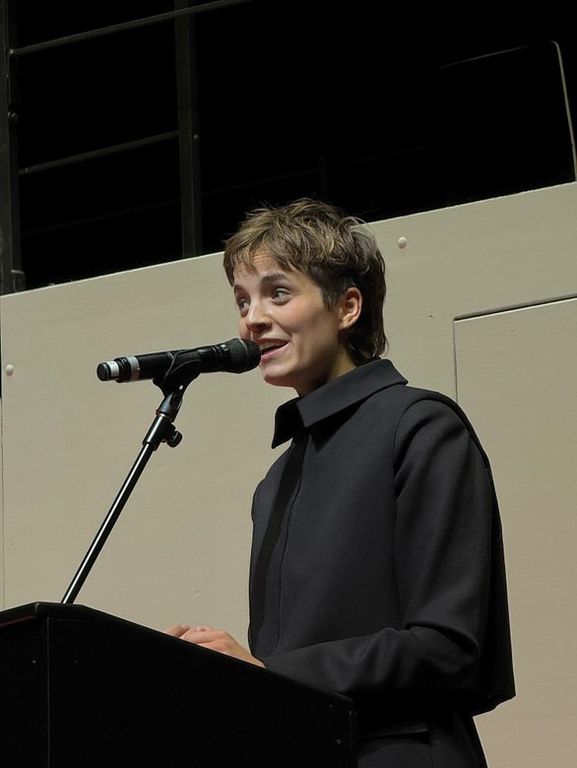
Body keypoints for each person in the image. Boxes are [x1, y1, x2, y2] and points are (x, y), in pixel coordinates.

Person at [167, 198, 515, 766]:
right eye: (242, 300)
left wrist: (266, 671)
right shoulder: (276, 481)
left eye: (278, 293)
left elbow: (449, 646)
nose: (253, 319)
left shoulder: (420, 427)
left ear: (348, 306)